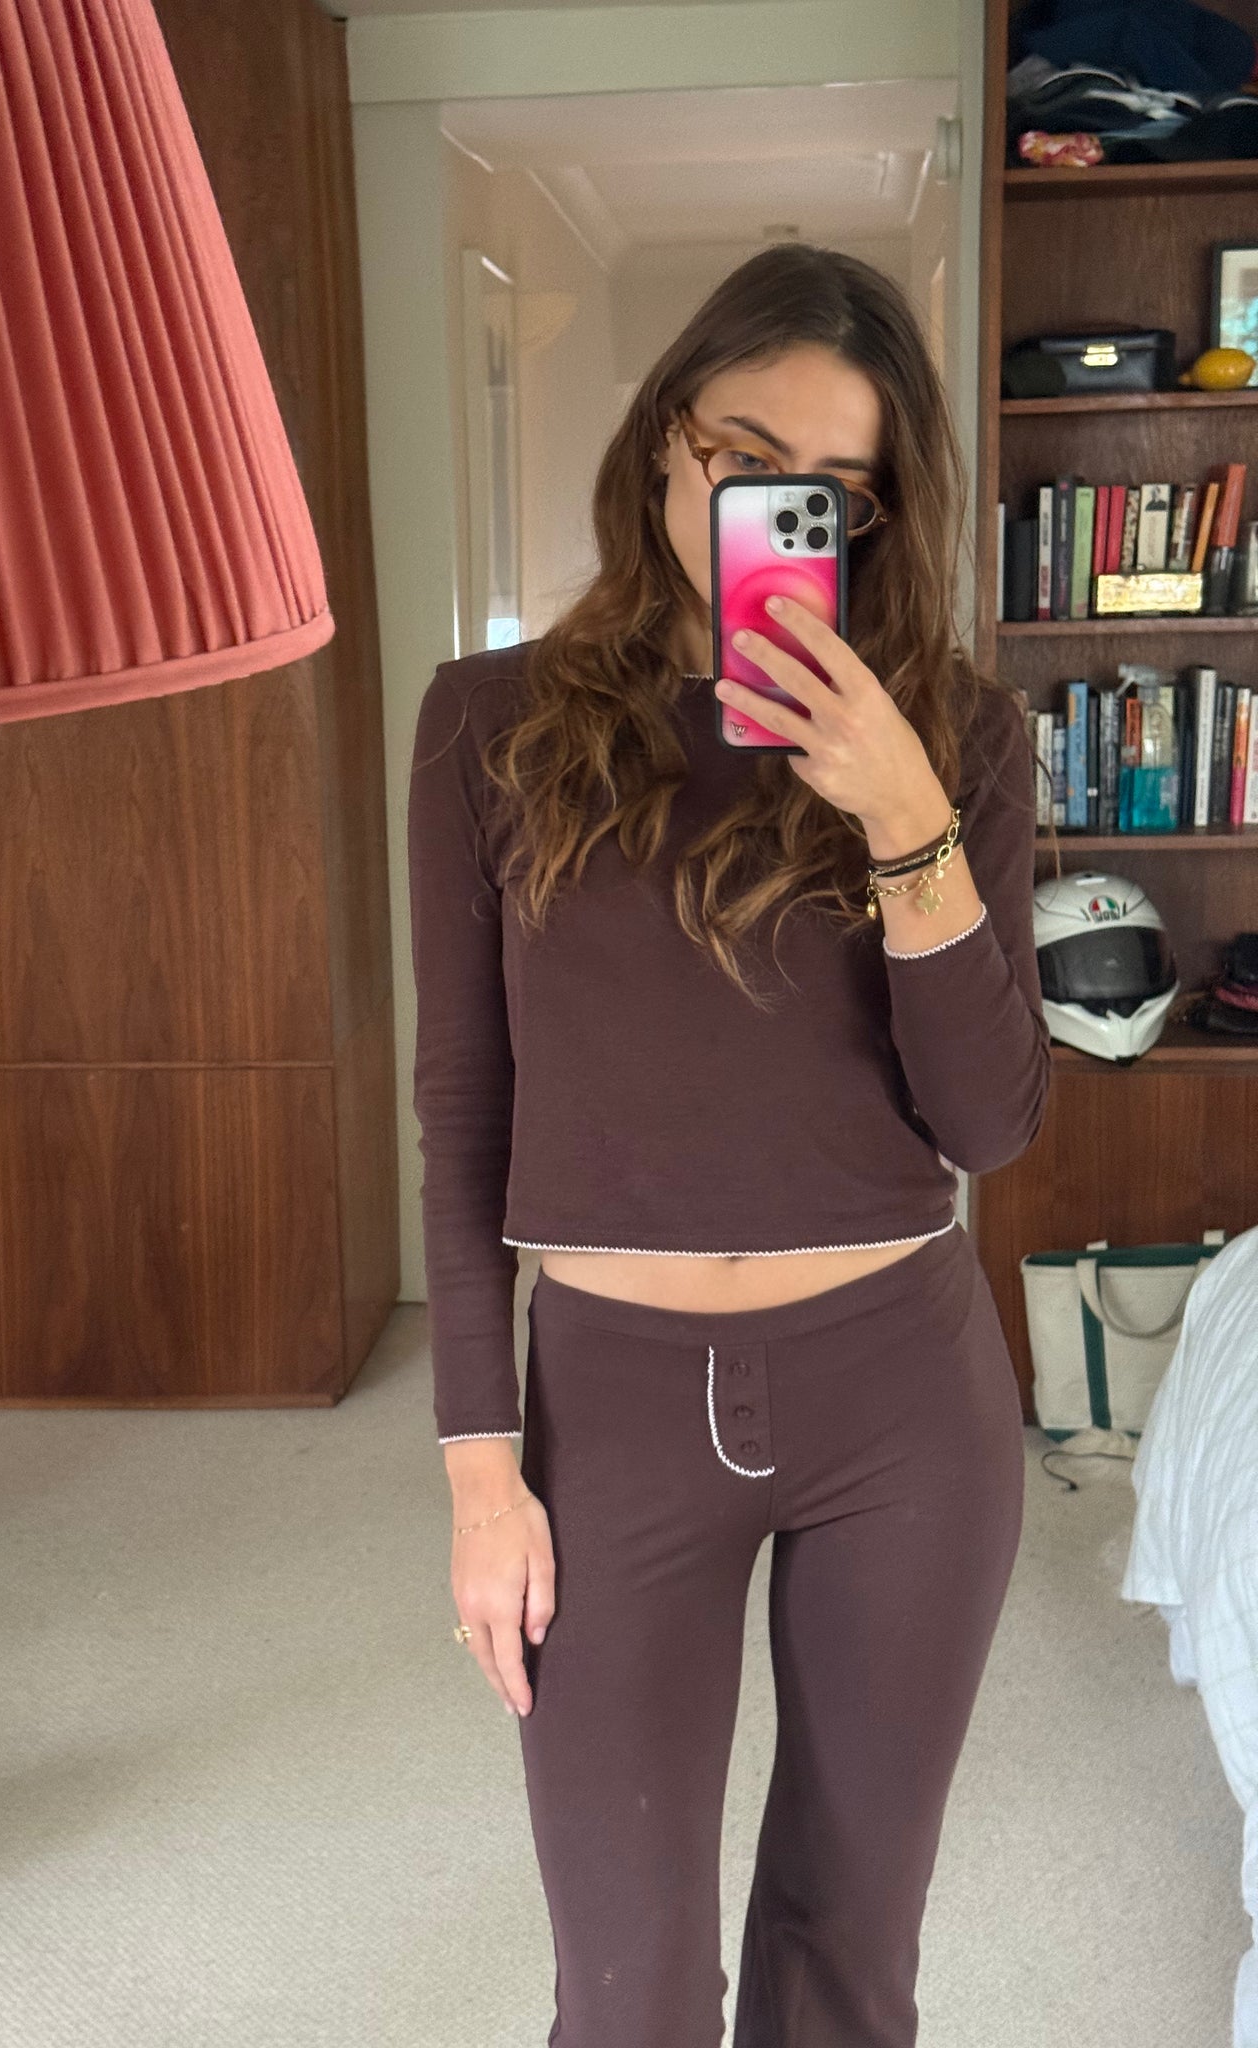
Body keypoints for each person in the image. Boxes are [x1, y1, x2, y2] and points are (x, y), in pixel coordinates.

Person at [405, 241, 1051, 2048]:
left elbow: (988, 1123)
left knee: (849, 1956)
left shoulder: (959, 738)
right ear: (664, 441)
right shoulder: (488, 725)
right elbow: (463, 1114)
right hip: (609, 1405)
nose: (779, 507)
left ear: (878, 515)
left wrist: (908, 819)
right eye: (746, 456)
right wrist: (478, 1476)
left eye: (835, 486)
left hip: (903, 1396)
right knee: (626, 1987)